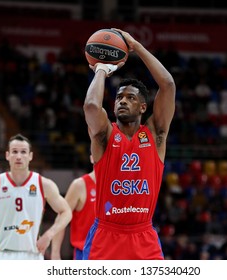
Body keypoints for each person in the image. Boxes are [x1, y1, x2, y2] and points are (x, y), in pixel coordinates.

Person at [82, 28, 176, 259]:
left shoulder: (155, 135)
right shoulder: (104, 134)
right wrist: (101, 70)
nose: (122, 101)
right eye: (119, 98)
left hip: (143, 235)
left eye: (130, 98)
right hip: (105, 234)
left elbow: (168, 85)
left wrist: (136, 46)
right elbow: (91, 107)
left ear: (143, 107)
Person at [0, 133, 72, 260]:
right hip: (3, 255)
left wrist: (49, 234)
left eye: (23, 152)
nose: (19, 156)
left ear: (30, 156)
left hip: (33, 254)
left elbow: (66, 212)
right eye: (14, 152)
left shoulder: (43, 184)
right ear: (7, 155)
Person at [51, 155, 96, 260]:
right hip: (85, 254)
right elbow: (62, 217)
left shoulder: (118, 186)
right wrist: (55, 253)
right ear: (92, 158)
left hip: (111, 252)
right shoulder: (80, 185)